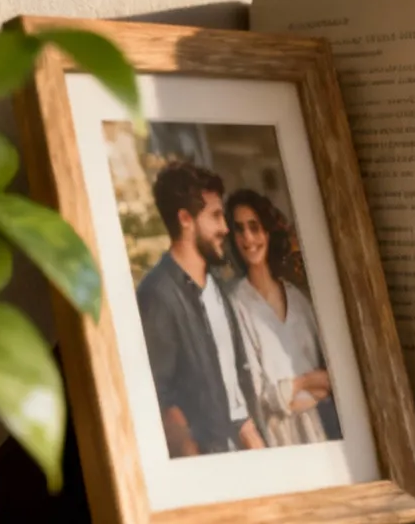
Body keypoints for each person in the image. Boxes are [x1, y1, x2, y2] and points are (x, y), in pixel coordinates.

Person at [135, 163, 267, 457]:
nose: (225, 228)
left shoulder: (217, 287)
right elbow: (160, 398)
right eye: (215, 216)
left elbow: (233, 391)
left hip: (242, 447)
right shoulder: (156, 294)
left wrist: (257, 446)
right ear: (185, 219)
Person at [226, 188, 342, 444]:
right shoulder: (237, 305)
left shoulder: (299, 301)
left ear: (267, 232)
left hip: (326, 430)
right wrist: (307, 381)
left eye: (254, 227)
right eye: (239, 229)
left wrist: (292, 392)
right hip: (281, 440)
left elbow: (331, 381)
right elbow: (261, 399)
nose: (248, 238)